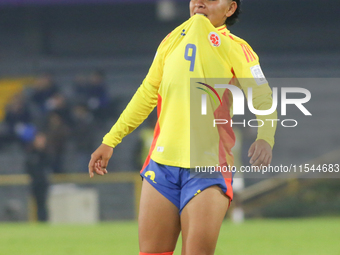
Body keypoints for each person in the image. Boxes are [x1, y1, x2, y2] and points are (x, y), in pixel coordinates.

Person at [89, 0, 277, 254]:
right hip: (162, 165)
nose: (200, 1)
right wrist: (111, 140)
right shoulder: (171, 40)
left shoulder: (237, 48)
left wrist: (265, 137)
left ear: (230, 8)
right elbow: (147, 94)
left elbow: (262, 97)